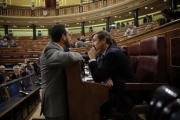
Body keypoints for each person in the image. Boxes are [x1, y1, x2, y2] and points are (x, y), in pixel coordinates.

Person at [88, 31, 142, 120]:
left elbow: (97, 77)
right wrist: (105, 77)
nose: (92, 44)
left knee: (95, 98)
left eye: (94, 41)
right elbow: (101, 73)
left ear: (103, 40)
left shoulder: (112, 53)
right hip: (119, 89)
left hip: (126, 94)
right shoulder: (107, 52)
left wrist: (92, 58)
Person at [40, 24, 82, 120]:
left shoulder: (56, 49)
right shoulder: (50, 50)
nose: (70, 38)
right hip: (55, 104)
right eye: (69, 35)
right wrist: (80, 55)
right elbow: (70, 57)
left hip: (57, 101)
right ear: (63, 37)